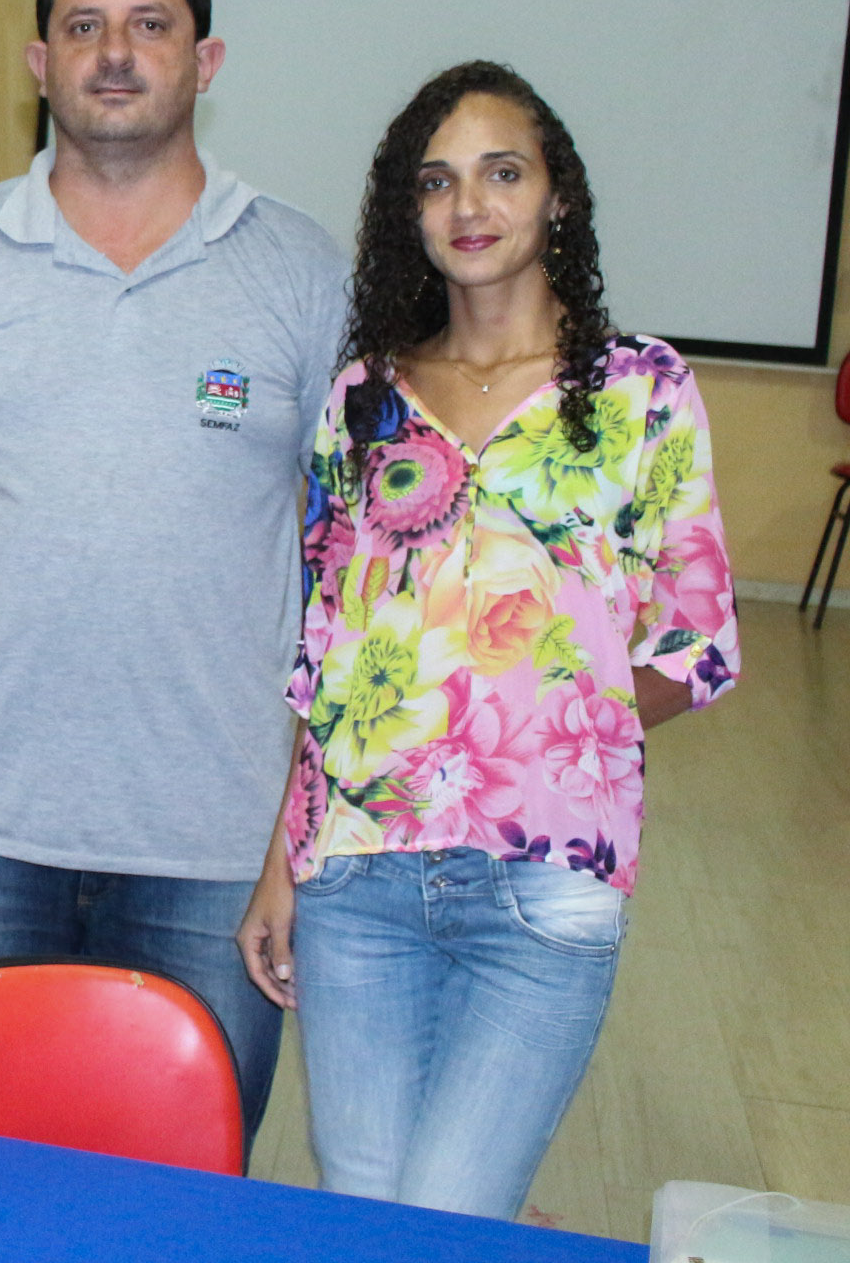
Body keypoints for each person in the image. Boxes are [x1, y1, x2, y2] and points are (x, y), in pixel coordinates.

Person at [0, 0, 345, 1143]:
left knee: (182, 1187)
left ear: (206, 59)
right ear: (40, 61)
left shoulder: (298, 269)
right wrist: (18, 564)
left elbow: (348, 539)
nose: (114, 54)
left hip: (216, 835)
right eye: (83, 27)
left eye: (148, 25)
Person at [236, 61, 737, 1218]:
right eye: (437, 182)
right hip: (356, 873)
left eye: (501, 174)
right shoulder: (365, 397)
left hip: (545, 884)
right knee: (361, 1211)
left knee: (455, 1213)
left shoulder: (640, 391)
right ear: (408, 214)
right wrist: (282, 864)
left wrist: (567, 720)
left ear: (557, 197)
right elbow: (325, 650)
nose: (469, 206)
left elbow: (702, 639)